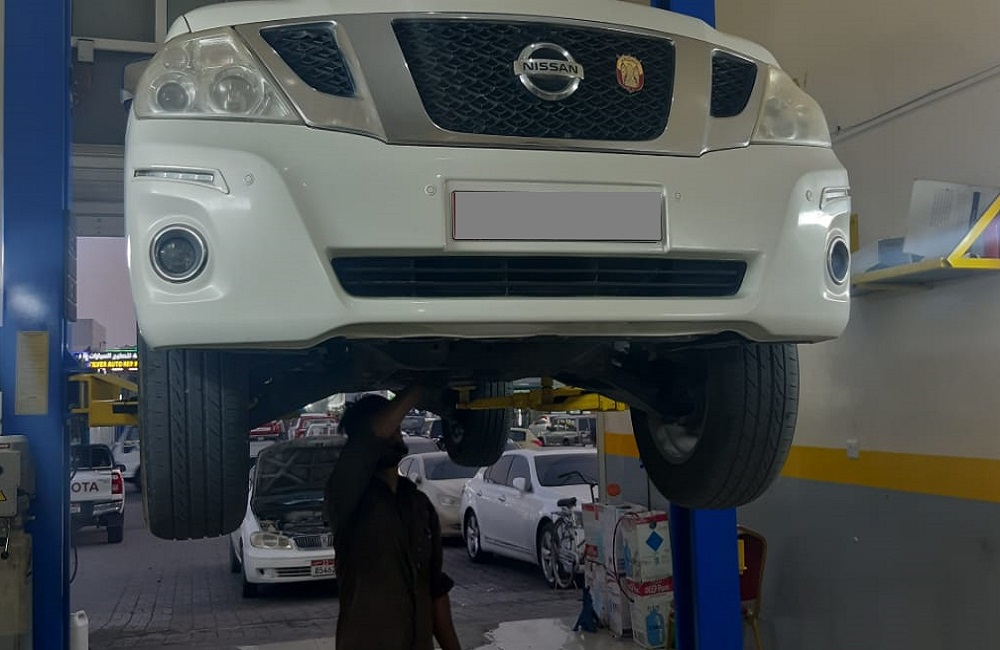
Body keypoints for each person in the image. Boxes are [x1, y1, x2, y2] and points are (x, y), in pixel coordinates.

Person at [324, 387, 462, 650]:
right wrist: (422, 385)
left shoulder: (419, 505)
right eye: (389, 427)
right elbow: (372, 436)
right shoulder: (346, 498)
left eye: (396, 428)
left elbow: (435, 589)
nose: (393, 433)